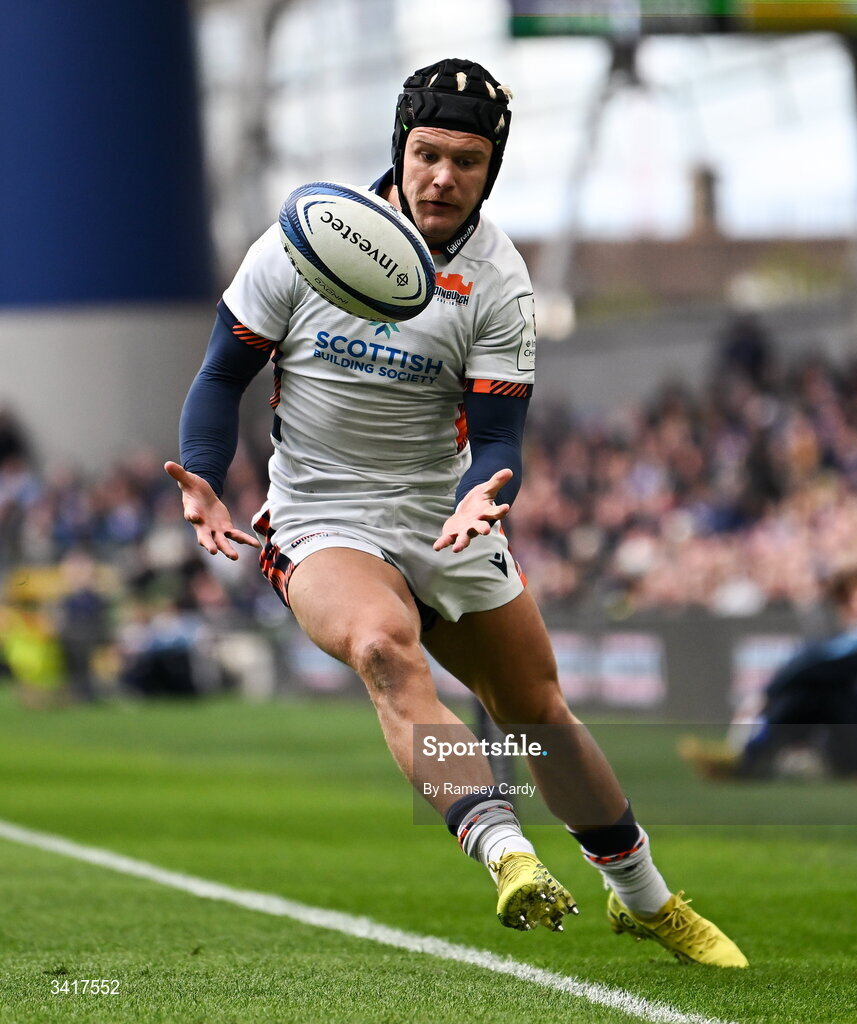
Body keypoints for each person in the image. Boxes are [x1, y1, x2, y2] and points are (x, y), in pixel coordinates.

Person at [166, 58, 746, 966]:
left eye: (466, 161)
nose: (441, 176)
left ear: (491, 169)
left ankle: (643, 898)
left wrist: (490, 486)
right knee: (380, 649)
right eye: (426, 153)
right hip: (322, 513)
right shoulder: (299, 241)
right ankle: (505, 852)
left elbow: (503, 434)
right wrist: (203, 470)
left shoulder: (502, 277)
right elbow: (219, 374)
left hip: (444, 512)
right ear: (398, 148)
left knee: (537, 712)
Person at [683, 555, 857, 780]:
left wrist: (767, 693)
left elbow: (822, 661)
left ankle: (749, 757)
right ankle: (754, 754)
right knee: (819, 685)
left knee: (816, 687)